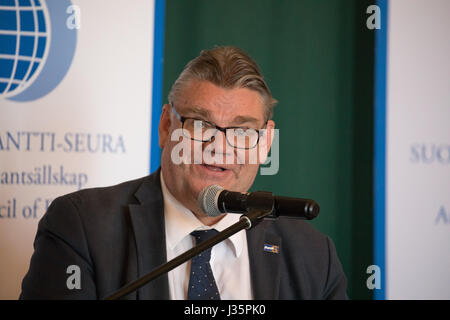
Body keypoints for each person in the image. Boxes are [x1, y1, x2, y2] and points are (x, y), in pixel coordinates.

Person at [20, 46, 347, 299]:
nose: (219, 147)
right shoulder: (81, 228)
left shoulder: (314, 255)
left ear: (265, 143)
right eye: (201, 125)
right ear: (166, 126)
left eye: (242, 132)